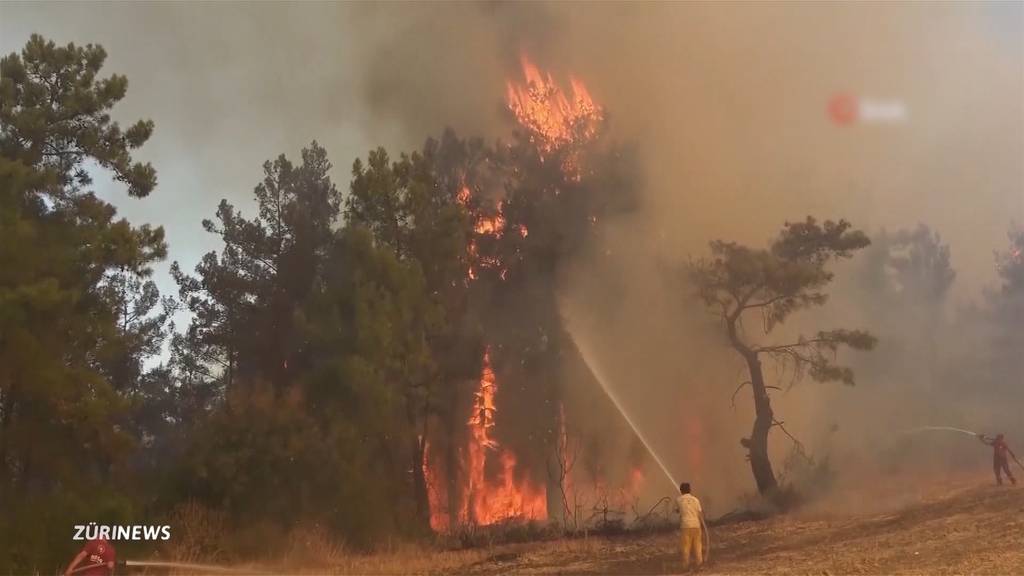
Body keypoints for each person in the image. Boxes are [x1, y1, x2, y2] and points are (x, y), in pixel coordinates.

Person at [676, 482, 705, 570]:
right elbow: (700, 513)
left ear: (681, 490)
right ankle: (699, 565)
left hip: (685, 526)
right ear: (690, 490)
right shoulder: (696, 500)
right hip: (696, 525)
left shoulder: (679, 500)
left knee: (685, 547)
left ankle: (685, 566)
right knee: (698, 546)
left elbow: (677, 510)